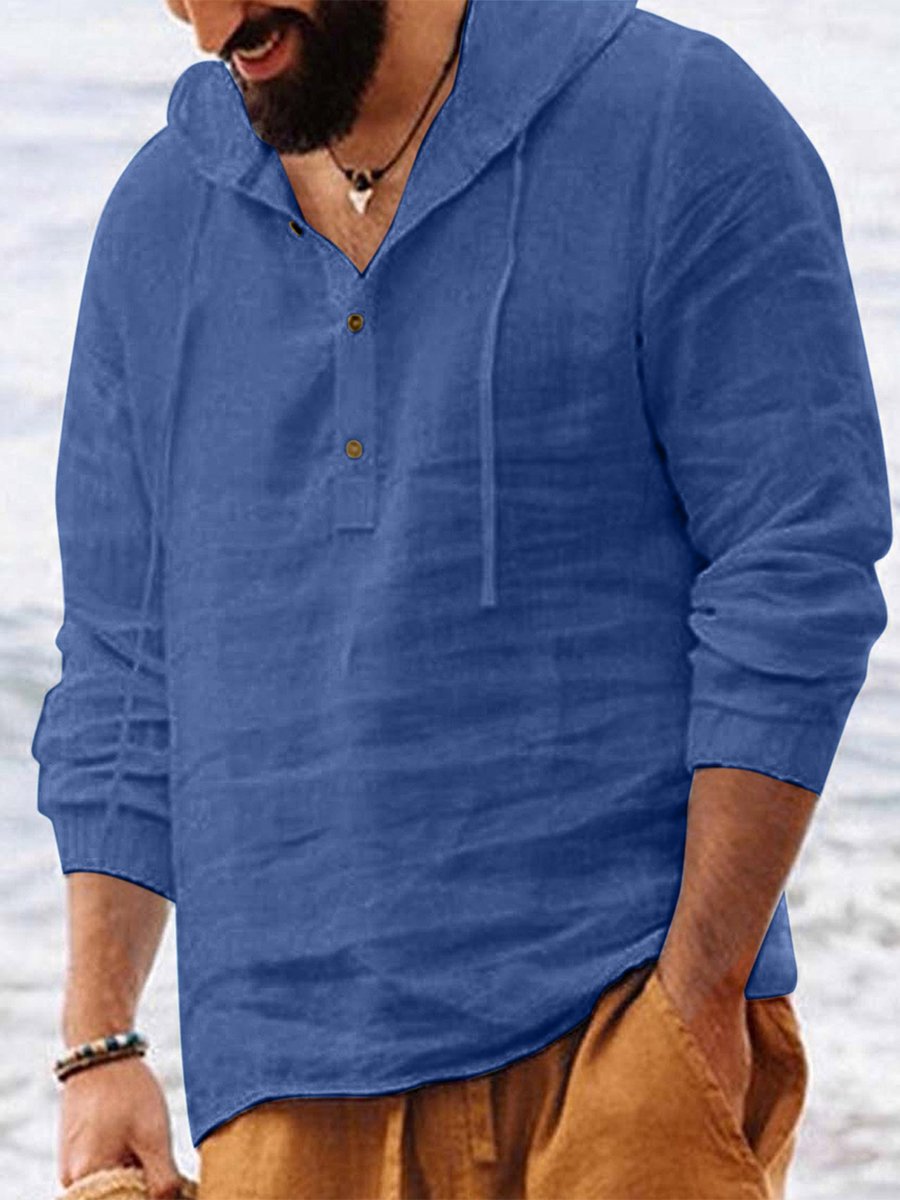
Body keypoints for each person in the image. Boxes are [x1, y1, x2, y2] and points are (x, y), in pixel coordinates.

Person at [33, 2, 893, 1198]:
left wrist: (701, 995)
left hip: (618, 1047)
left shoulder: (679, 124)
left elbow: (796, 566)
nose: (205, 21)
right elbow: (124, 665)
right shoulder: (159, 218)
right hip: (283, 1096)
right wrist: (100, 1044)